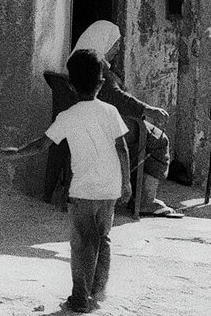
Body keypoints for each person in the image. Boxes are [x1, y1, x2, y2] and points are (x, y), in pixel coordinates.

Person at [1, 49, 132, 313]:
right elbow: (122, 149)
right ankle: (97, 291)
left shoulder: (67, 116)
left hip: (83, 192)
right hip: (109, 189)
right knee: (103, 238)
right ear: (102, 82)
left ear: (70, 85)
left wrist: (16, 153)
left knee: (82, 243)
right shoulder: (110, 111)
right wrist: (126, 182)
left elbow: (42, 145)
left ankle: (79, 298)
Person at [71, 20, 183, 218]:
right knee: (159, 140)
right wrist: (147, 110)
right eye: (115, 44)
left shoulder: (75, 65)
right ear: (103, 42)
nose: (117, 49)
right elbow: (117, 98)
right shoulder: (99, 70)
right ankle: (146, 200)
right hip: (107, 130)